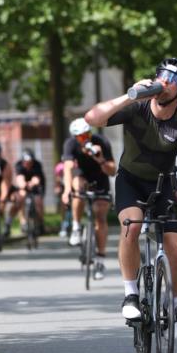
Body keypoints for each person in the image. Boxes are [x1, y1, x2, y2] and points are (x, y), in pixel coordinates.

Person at [84, 56, 177, 334]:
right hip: (131, 180)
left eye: (173, 80)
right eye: (162, 76)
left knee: (176, 252)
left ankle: (172, 304)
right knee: (133, 226)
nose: (165, 83)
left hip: (166, 185)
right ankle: (131, 293)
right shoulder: (136, 108)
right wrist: (128, 97)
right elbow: (92, 118)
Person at [62, 117, 116, 279]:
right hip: (82, 176)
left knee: (100, 215)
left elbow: (112, 171)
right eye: (81, 137)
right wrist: (66, 191)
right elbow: (68, 168)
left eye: (87, 134)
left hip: (100, 178)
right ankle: (77, 227)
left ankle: (100, 259)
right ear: (75, 137)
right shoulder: (70, 145)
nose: (85, 139)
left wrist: (100, 159)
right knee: (77, 187)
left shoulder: (101, 142)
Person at [5, 148, 46, 236]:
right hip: (24, 186)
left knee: (38, 202)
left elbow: (37, 179)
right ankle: (13, 223)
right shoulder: (19, 165)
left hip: (36, 186)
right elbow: (19, 178)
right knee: (19, 199)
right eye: (26, 162)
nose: (28, 164)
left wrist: (32, 183)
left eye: (30, 162)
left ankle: (40, 223)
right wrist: (23, 184)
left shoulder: (37, 165)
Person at [54, 161, 71, 239]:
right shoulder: (60, 167)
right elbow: (57, 179)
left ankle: (74, 224)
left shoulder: (73, 164)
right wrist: (57, 188)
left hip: (73, 185)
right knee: (63, 205)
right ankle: (64, 225)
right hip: (63, 187)